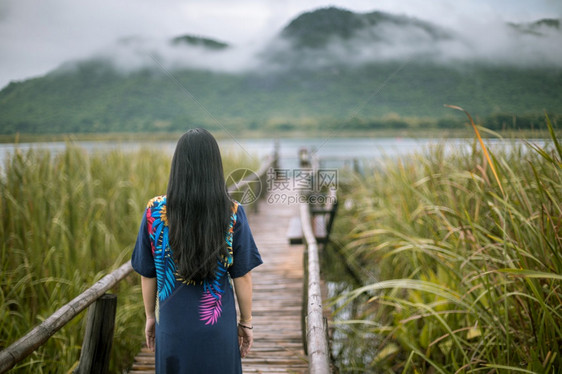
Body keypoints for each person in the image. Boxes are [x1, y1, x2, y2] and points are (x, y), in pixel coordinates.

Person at [131, 128, 262, 373]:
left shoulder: (154, 212)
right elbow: (242, 274)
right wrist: (247, 322)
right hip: (217, 326)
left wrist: (150, 316)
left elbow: (147, 273)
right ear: (215, 166)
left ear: (177, 165)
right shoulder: (232, 212)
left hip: (171, 326)